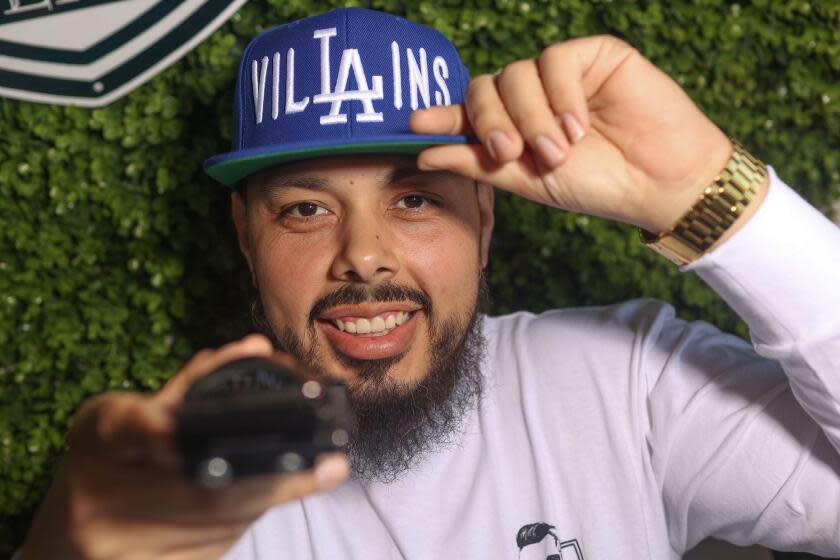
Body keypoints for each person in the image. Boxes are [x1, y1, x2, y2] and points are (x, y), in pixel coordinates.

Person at [17, 6, 840, 560]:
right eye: (305, 209)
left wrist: (712, 194)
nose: (365, 256)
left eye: (415, 199)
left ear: (485, 221)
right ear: (245, 236)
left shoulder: (627, 381)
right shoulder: (180, 489)